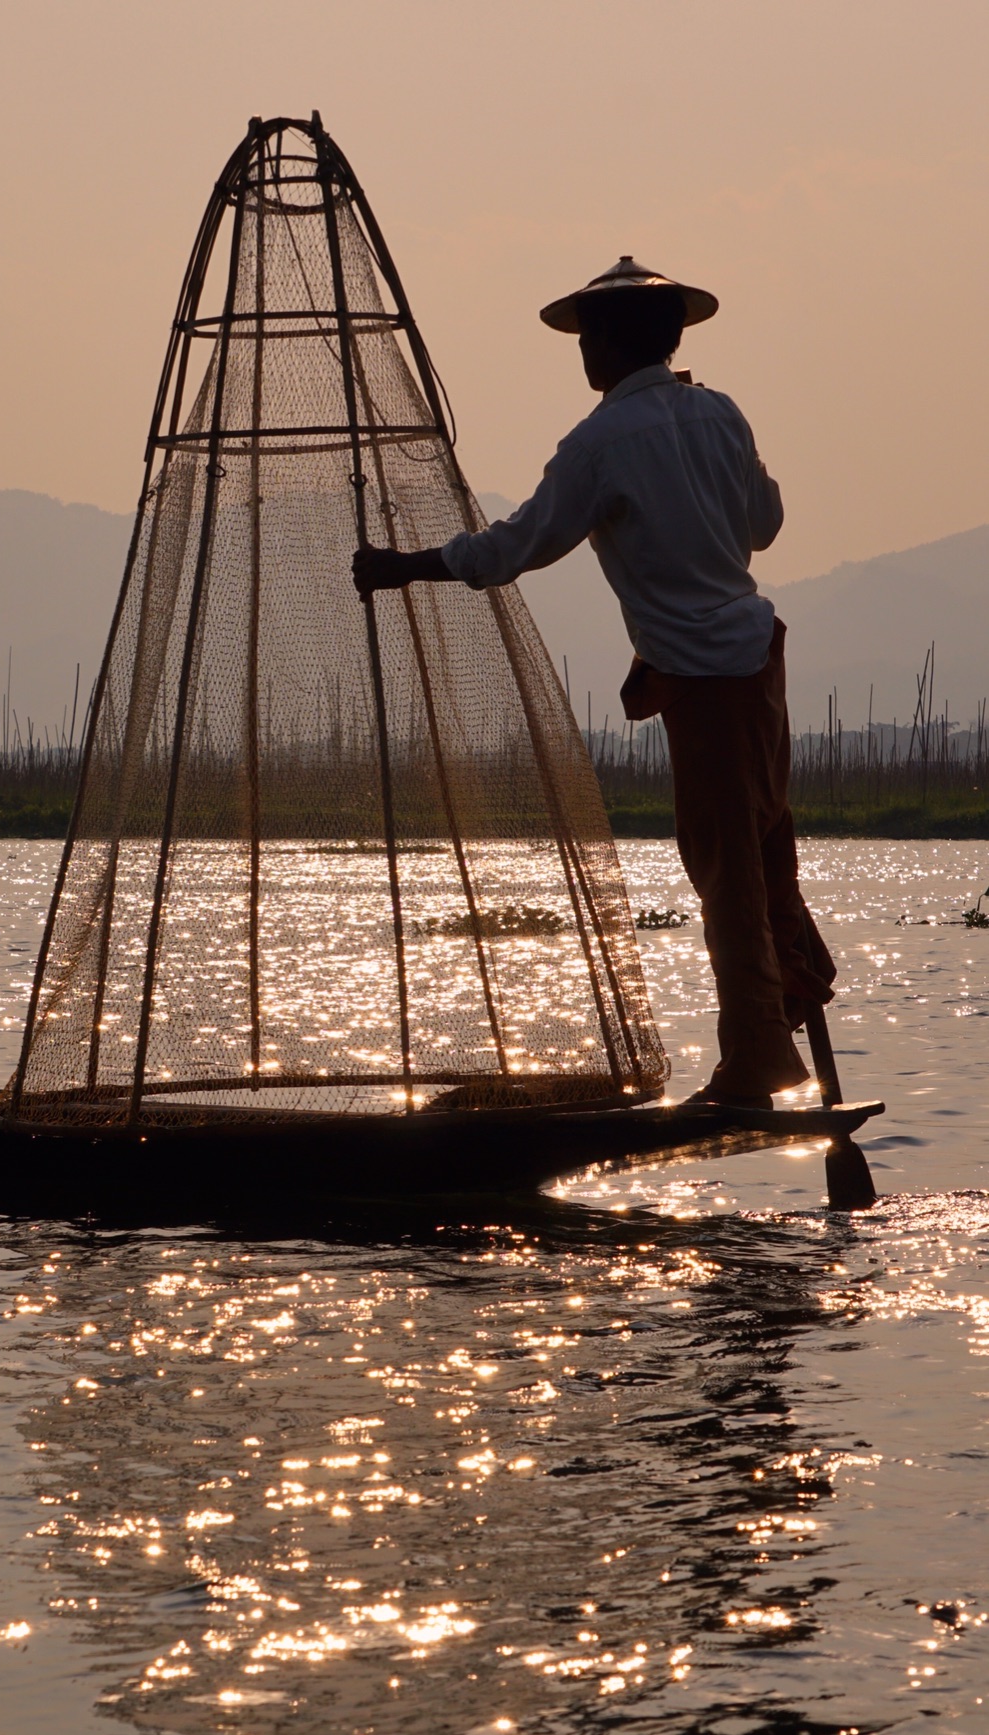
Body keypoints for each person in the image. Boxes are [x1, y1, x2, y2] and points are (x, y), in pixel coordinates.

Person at [352, 254, 834, 1109]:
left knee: (727, 866)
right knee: (762, 850)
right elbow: (762, 524)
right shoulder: (719, 414)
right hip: (755, 660)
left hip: (700, 671)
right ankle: (784, 1007)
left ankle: (756, 1062)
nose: (583, 355)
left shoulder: (601, 442)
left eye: (589, 338)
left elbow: (513, 547)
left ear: (610, 346)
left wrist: (407, 566)